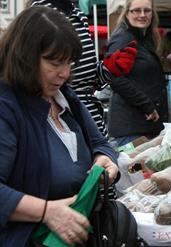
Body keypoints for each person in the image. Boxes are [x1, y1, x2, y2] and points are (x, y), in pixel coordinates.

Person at [0, 6, 119, 246]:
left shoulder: (67, 98)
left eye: (69, 63)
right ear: (24, 56)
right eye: (54, 63)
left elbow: (100, 143)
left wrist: (105, 160)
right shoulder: (7, 107)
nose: (64, 73)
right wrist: (47, 211)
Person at [28, 0, 132, 138]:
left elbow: (88, 80)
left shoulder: (78, 14)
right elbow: (41, 75)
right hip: (65, 121)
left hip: (92, 121)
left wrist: (109, 69)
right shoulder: (42, 13)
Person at [106, 0, 169, 147]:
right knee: (135, 170)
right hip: (131, 128)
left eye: (147, 10)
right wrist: (146, 105)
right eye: (136, 10)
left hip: (145, 126)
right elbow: (114, 77)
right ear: (127, 13)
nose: (142, 15)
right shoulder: (123, 38)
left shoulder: (144, 39)